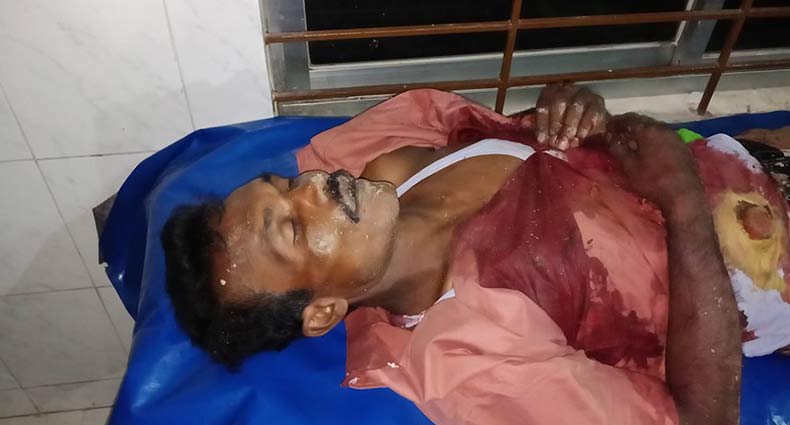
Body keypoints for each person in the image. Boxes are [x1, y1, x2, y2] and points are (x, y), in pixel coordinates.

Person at [161, 84, 789, 424]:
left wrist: (570, 108)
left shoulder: (380, 156)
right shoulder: (475, 357)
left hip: (757, 154)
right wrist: (679, 197)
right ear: (323, 311)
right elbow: (703, 418)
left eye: (283, 184)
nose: (313, 188)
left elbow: (528, 132)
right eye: (294, 230)